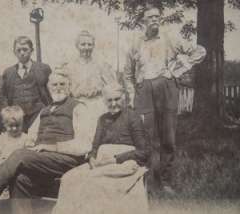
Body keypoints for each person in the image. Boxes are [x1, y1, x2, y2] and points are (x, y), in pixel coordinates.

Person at [0, 69, 93, 214]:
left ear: (70, 86)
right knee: (19, 178)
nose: (58, 88)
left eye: (62, 84)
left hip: (66, 160)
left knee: (20, 155)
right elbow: (30, 139)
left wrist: (51, 147)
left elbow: (84, 145)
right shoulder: (44, 111)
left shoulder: (78, 107)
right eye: (54, 85)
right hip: (43, 160)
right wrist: (29, 145)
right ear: (48, 88)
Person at [123, 5, 206, 195]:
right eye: (150, 17)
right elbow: (128, 74)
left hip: (167, 87)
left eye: (157, 17)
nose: (154, 20)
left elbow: (199, 52)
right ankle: (148, 180)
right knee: (145, 137)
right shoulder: (135, 43)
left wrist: (176, 70)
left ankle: (166, 181)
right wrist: (132, 95)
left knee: (168, 137)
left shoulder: (170, 38)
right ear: (143, 21)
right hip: (144, 90)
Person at [52, 82, 151, 214]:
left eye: (117, 99)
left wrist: (115, 159)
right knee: (69, 178)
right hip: (100, 162)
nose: (113, 103)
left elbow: (143, 152)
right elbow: (95, 147)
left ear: (124, 98)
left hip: (124, 162)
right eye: (109, 100)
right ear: (104, 101)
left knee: (93, 181)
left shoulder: (132, 117)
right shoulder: (102, 119)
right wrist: (92, 158)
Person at [65, 30, 117, 137]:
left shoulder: (101, 65)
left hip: (96, 104)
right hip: (77, 105)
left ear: (93, 46)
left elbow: (112, 87)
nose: (86, 47)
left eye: (89, 44)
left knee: (97, 133)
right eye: (83, 44)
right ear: (77, 46)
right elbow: (65, 88)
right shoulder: (69, 66)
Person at [0, 36, 52, 132]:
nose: (22, 53)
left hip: (38, 114)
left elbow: (51, 92)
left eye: (25, 49)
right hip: (17, 118)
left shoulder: (43, 69)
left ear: (31, 50)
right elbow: (3, 96)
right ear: (14, 52)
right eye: (18, 50)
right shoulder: (8, 72)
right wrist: (8, 114)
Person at [0, 106, 34, 200]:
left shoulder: (26, 139)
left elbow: (29, 157)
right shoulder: (0, 140)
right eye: (10, 126)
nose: (14, 129)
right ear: (4, 125)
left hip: (18, 174)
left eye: (17, 125)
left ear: (22, 124)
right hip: (1, 175)